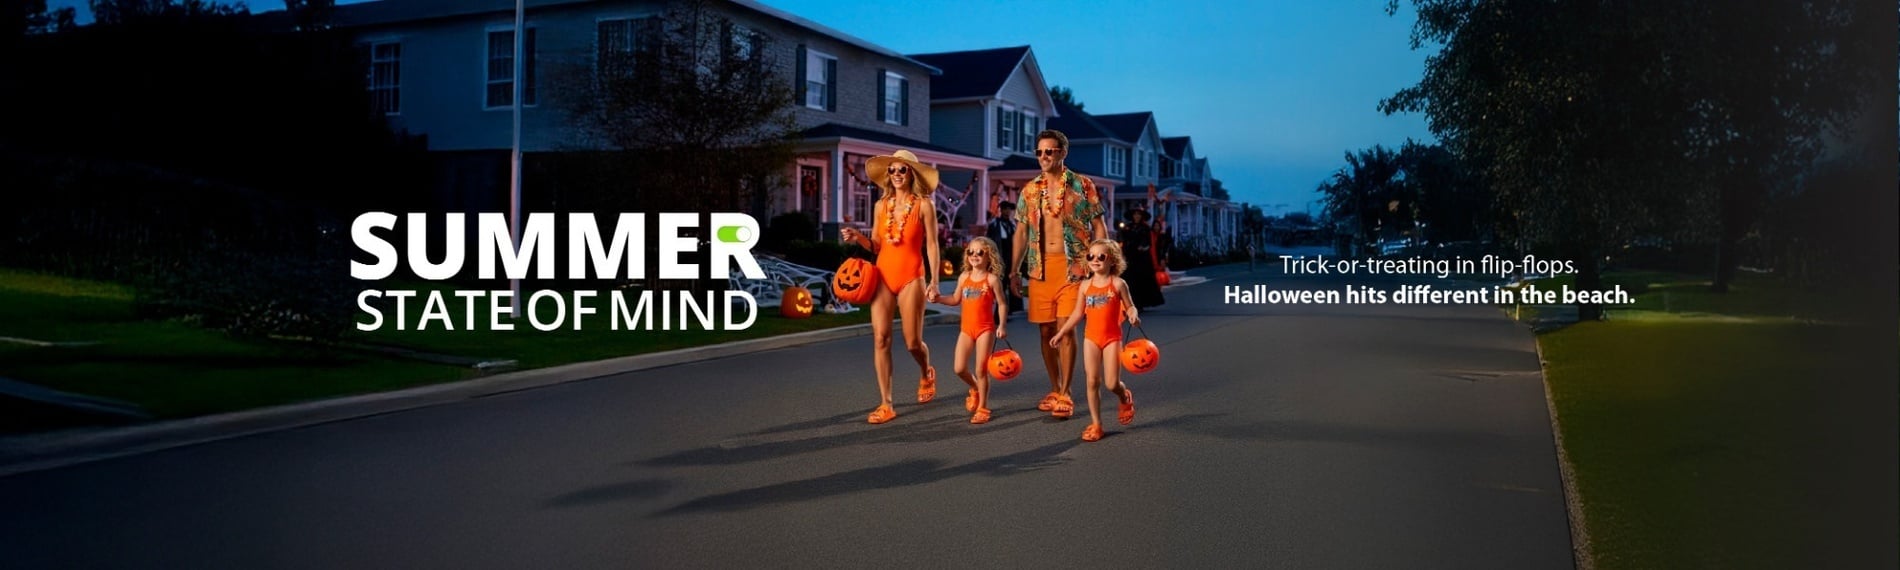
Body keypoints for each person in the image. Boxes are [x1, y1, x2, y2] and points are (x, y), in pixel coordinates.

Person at [839, 149, 942, 424]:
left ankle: (926, 372)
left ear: (912, 174)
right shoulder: (880, 206)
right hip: (883, 277)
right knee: (881, 338)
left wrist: (934, 281)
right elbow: (876, 245)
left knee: (912, 342)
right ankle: (886, 404)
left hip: (911, 277)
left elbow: (932, 245)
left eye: (902, 169)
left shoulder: (924, 206)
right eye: (892, 170)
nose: (896, 174)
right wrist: (858, 237)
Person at [1010, 129, 1106, 419]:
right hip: (1039, 269)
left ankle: (1066, 392)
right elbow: (1021, 233)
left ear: (1063, 153)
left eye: (1049, 151)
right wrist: (1013, 271)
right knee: (1046, 331)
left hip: (1073, 267)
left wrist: (1103, 262)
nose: (1043, 157)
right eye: (1039, 152)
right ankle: (1054, 388)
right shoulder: (1030, 190)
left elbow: (1098, 226)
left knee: (1066, 329)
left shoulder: (1082, 185)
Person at [1049, 239, 1140, 442]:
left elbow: (1130, 306)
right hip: (1091, 338)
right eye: (1091, 256)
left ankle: (1123, 396)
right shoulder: (1084, 285)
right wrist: (1061, 332)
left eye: (1101, 256)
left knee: (1111, 383)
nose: (1095, 260)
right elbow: (1077, 313)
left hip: (1112, 338)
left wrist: (1133, 315)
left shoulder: (1118, 284)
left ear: (1112, 260)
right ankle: (1097, 424)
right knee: (1092, 381)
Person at [930, 236, 1008, 424]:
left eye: (979, 252)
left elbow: (1002, 304)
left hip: (985, 329)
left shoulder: (992, 280)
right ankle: (975, 387)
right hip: (966, 329)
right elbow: (955, 299)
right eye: (970, 252)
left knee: (981, 370)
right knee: (959, 368)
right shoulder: (964, 277)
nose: (974, 255)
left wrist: (1002, 325)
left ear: (989, 256)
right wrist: (938, 299)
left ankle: (983, 407)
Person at [1118, 207, 1166, 308]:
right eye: (1135, 214)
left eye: (1139, 214)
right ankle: (1128, 302)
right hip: (1130, 256)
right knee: (1128, 279)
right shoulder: (1128, 227)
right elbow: (1123, 240)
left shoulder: (1145, 228)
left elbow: (1149, 242)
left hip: (1142, 257)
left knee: (1141, 280)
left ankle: (1140, 303)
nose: (1137, 216)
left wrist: (1143, 247)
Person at [985, 200, 1021, 312]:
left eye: (1009, 209)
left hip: (1011, 258)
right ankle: (1000, 310)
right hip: (1000, 257)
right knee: (1000, 284)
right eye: (1005, 209)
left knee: (1012, 282)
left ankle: (1013, 309)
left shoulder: (1012, 225)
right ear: (1001, 210)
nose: (1007, 211)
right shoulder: (995, 224)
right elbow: (989, 241)